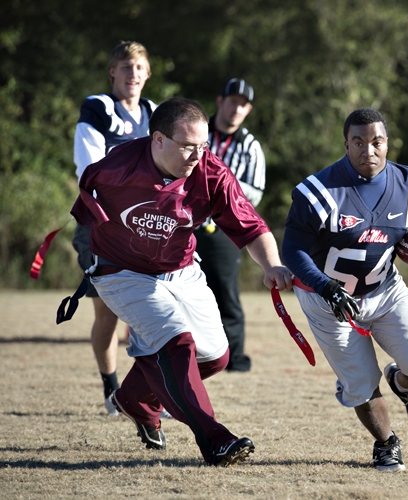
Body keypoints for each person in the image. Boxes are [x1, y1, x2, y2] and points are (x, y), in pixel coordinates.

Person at [69, 97, 293, 466]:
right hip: (122, 271)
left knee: (217, 357)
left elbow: (251, 227)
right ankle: (215, 440)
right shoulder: (115, 168)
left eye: (202, 145)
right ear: (157, 140)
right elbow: (85, 208)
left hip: (181, 268)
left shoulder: (212, 172)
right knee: (176, 341)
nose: (197, 154)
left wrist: (272, 264)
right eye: (187, 145)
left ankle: (135, 399)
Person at [281, 107, 408, 472]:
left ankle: (404, 384)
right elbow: (293, 251)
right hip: (326, 297)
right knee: (360, 383)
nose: (368, 151)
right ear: (346, 145)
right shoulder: (317, 192)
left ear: (387, 143)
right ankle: (386, 443)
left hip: (384, 289)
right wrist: (326, 288)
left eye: (376, 142)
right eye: (358, 142)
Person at [72, 41, 157, 416]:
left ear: (148, 73)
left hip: (146, 226)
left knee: (152, 311)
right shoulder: (99, 108)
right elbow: (88, 169)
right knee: (107, 314)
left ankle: (149, 391)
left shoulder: (155, 113)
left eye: (139, 67)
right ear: (113, 72)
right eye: (125, 67)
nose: (132, 74)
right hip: (102, 225)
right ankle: (111, 389)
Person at [194, 78, 266, 372]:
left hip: (224, 228)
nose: (237, 108)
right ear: (220, 101)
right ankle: (187, 352)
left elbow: (256, 191)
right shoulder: (196, 129)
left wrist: (220, 188)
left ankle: (234, 358)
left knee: (225, 293)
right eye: (233, 101)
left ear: (248, 110)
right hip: (185, 223)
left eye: (243, 104)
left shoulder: (250, 146)